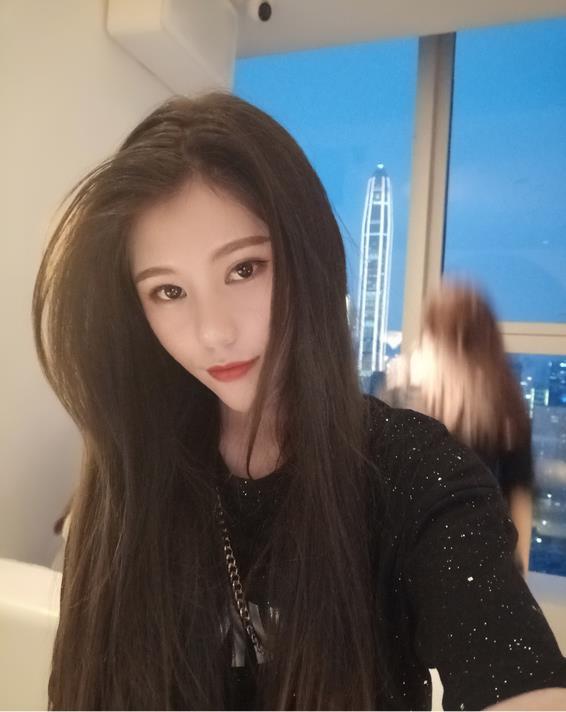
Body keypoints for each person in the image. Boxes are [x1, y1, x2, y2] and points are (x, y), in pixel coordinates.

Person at [32, 93, 566, 710]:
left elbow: (515, 675)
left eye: (244, 269)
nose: (214, 332)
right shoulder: (128, 476)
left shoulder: (409, 471)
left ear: (307, 259)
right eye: (169, 291)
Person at [383, 282, 535, 575]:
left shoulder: (405, 397)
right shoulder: (506, 407)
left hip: (417, 563)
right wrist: (516, 574)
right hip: (480, 565)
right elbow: (520, 496)